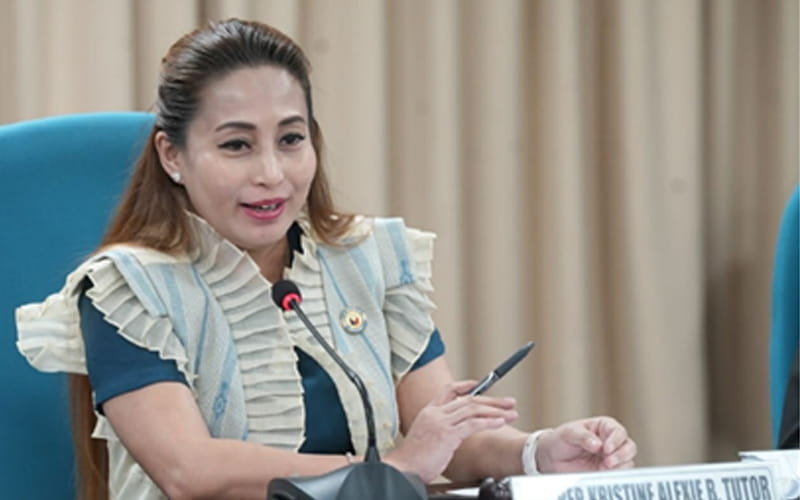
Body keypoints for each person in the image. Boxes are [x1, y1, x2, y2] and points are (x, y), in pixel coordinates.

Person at [15, 19, 637, 500]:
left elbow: (443, 438)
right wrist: (387, 472)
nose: (272, 173)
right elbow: (191, 472)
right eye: (236, 145)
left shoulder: (370, 259)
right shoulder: (129, 289)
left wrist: (539, 453)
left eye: (291, 139)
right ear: (172, 156)